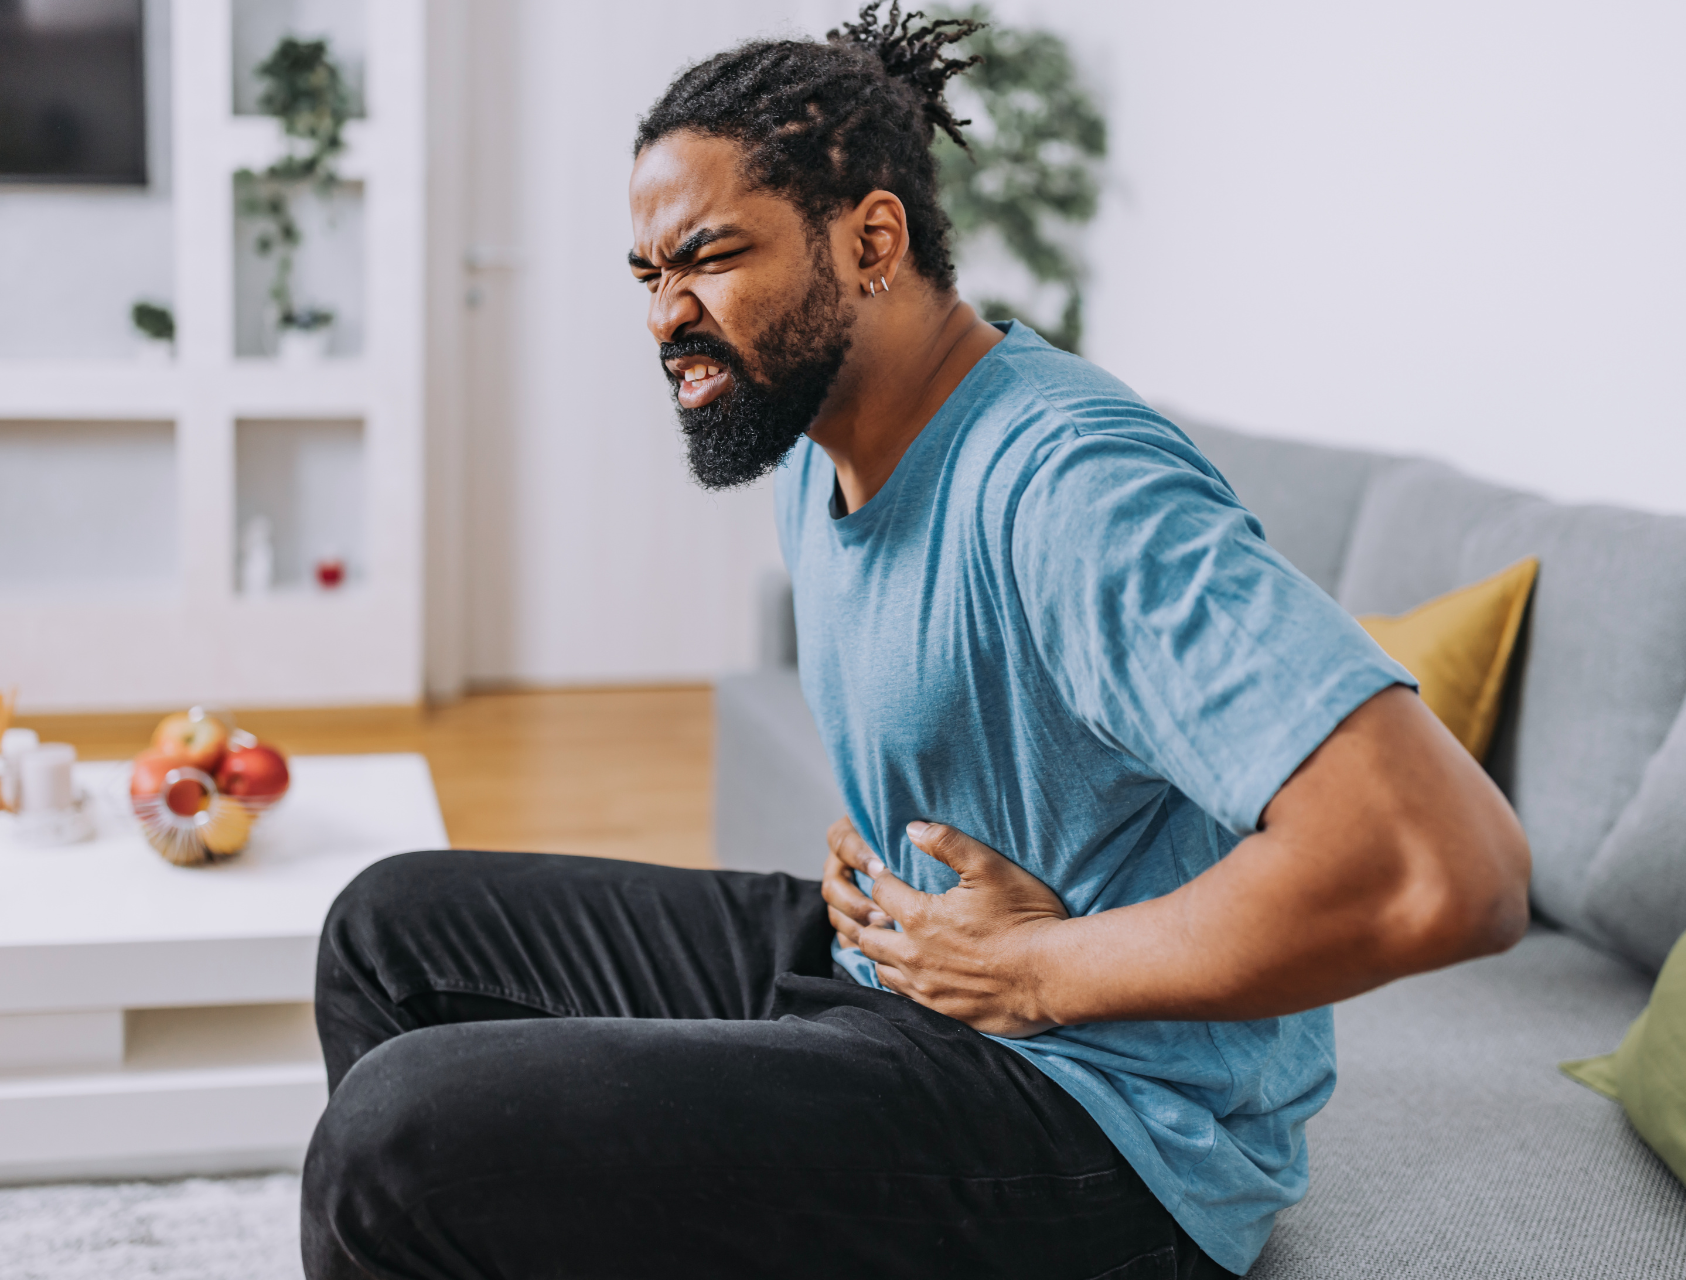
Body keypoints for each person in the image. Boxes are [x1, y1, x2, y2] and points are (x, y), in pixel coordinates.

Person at [300, 6, 1531, 1277]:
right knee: (387, 929)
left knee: (401, 1141)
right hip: (906, 982)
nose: (668, 314)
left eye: (709, 256)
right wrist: (884, 854)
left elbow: (1444, 863)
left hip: (1101, 1119)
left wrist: (1042, 968)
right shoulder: (811, 443)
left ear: (871, 238)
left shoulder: (1073, 485)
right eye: (648, 274)